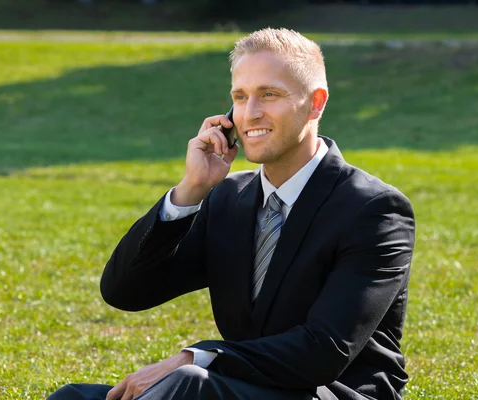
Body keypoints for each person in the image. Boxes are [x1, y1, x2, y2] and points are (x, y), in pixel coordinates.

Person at [48, 28, 415, 400]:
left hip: (332, 393)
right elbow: (124, 291)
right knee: (74, 397)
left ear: (316, 103)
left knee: (190, 383)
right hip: (240, 388)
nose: (250, 113)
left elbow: (323, 350)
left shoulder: (374, 210)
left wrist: (197, 357)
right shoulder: (227, 199)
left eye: (269, 95)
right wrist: (190, 190)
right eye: (240, 97)